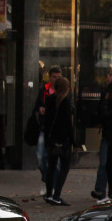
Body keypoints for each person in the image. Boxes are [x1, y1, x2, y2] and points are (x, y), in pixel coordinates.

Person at [40, 76, 74, 206]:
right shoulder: (66, 101)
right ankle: (57, 195)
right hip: (63, 139)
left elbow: (48, 121)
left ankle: (49, 194)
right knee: (64, 167)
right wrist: (72, 140)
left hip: (52, 138)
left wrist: (48, 137)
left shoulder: (49, 99)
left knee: (51, 166)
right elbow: (68, 124)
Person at [34, 66, 62, 181]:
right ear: (50, 77)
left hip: (56, 128)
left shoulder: (63, 91)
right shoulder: (44, 90)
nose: (56, 79)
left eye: (58, 77)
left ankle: (52, 184)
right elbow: (37, 105)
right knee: (40, 156)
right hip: (44, 126)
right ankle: (47, 179)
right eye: (54, 77)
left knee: (55, 160)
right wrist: (40, 108)